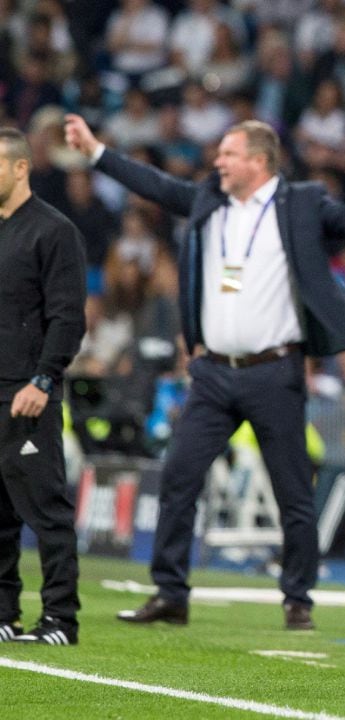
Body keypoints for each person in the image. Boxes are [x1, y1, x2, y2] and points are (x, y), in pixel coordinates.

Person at [63, 113, 345, 630]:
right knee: (179, 477)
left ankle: (298, 598)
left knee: (293, 492)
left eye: (228, 154)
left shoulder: (300, 202)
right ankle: (170, 592)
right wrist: (98, 152)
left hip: (273, 372)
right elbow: (157, 186)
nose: (217, 162)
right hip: (211, 374)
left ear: (257, 161)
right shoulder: (211, 199)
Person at [0, 127, 86, 645]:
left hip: (28, 393)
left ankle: (60, 619)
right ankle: (2, 614)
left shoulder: (54, 231)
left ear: (19, 168)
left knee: (46, 510)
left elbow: (68, 317)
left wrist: (43, 378)